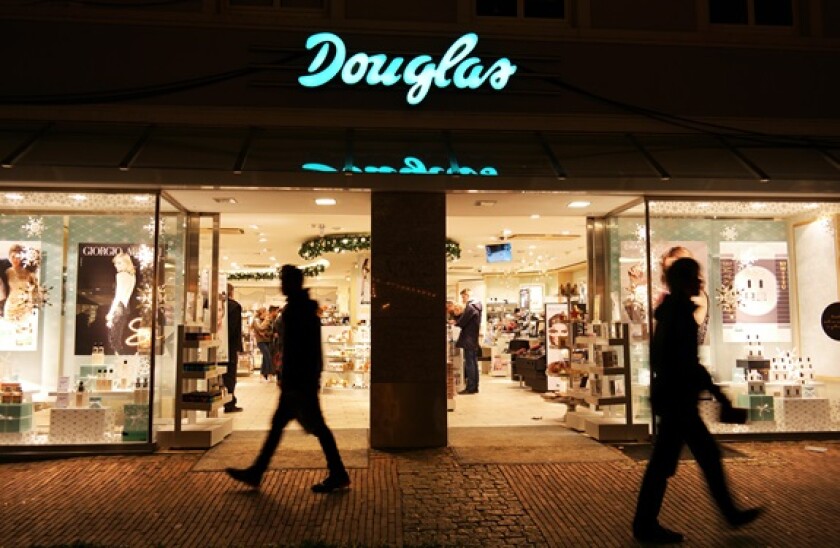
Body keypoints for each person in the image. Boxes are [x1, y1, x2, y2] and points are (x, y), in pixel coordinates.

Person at [633, 258, 762, 544]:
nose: (700, 282)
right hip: (678, 401)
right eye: (695, 277)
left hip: (672, 399)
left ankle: (649, 522)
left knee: (681, 460)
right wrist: (717, 393)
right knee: (681, 460)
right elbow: (688, 362)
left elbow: (672, 360)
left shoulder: (670, 314)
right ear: (683, 281)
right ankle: (647, 523)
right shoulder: (678, 315)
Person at [227, 264, 350, 493]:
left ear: (292, 283)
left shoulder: (297, 311)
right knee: (285, 427)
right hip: (300, 380)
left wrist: (293, 376)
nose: (281, 285)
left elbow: (300, 349)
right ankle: (258, 471)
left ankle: (338, 472)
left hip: (299, 382)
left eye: (284, 280)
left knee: (314, 428)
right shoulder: (301, 309)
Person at [453, 287, 482, 395]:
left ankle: (470, 388)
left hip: (468, 338)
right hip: (473, 338)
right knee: (473, 363)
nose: (463, 298)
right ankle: (474, 387)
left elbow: (463, 321)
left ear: (467, 295)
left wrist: (456, 323)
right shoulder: (478, 306)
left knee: (470, 363)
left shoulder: (470, 306)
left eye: (463, 296)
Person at [4, 244, 38, 322]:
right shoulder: (6, 272)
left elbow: (35, 289)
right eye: (13, 257)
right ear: (9, 257)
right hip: (10, 305)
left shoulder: (28, 272)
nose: (15, 259)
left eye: (18, 257)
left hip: (25, 305)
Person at [224, 284, 244, 413]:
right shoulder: (234, 306)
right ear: (231, 292)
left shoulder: (211, 304)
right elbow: (233, 329)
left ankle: (226, 400)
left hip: (216, 344)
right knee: (230, 375)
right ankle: (229, 403)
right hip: (229, 346)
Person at [251, 307, 272, 381]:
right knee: (268, 357)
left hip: (267, 340)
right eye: (265, 312)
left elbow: (270, 331)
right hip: (261, 341)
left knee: (265, 358)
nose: (266, 313)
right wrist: (266, 321)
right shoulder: (256, 320)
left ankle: (262, 375)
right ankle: (269, 374)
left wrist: (265, 333)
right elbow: (260, 328)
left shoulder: (265, 320)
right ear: (261, 313)